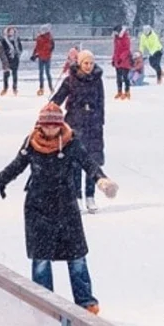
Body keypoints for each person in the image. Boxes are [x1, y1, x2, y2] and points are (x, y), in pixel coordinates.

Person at [0, 102, 119, 315]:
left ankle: (86, 302)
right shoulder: (31, 143)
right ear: (40, 125)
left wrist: (102, 181)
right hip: (38, 209)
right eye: (46, 125)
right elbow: (13, 169)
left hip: (66, 208)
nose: (50, 129)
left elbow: (88, 163)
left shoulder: (71, 142)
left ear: (60, 124)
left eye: (54, 125)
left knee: (77, 258)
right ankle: (44, 304)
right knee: (41, 260)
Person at [52, 50, 107, 214]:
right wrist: (50, 111)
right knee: (75, 162)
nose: (89, 66)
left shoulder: (97, 80)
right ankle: (77, 196)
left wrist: (100, 122)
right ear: (80, 63)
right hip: (75, 124)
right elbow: (58, 98)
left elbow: (101, 102)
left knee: (92, 161)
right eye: (85, 63)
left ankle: (90, 196)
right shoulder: (71, 80)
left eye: (91, 63)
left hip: (93, 125)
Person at [0, 26, 24, 97]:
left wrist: (18, 53)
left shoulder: (16, 39)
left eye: (12, 31)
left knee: (14, 73)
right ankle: (5, 88)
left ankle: (15, 88)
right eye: (10, 31)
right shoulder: (4, 39)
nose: (11, 32)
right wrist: (8, 52)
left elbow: (20, 47)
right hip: (7, 58)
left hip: (15, 58)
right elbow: (2, 49)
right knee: (6, 74)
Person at [32, 25, 55, 96]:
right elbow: (37, 47)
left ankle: (50, 87)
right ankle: (41, 87)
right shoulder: (39, 38)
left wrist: (40, 53)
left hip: (47, 57)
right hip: (41, 57)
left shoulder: (49, 38)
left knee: (47, 72)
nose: (41, 32)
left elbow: (50, 47)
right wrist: (34, 54)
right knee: (41, 73)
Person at [112, 25, 133, 100]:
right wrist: (113, 59)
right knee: (118, 77)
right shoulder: (116, 38)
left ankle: (127, 92)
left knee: (125, 77)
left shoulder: (126, 37)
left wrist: (121, 58)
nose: (115, 33)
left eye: (116, 32)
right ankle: (119, 91)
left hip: (125, 61)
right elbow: (115, 49)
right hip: (117, 61)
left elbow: (127, 49)